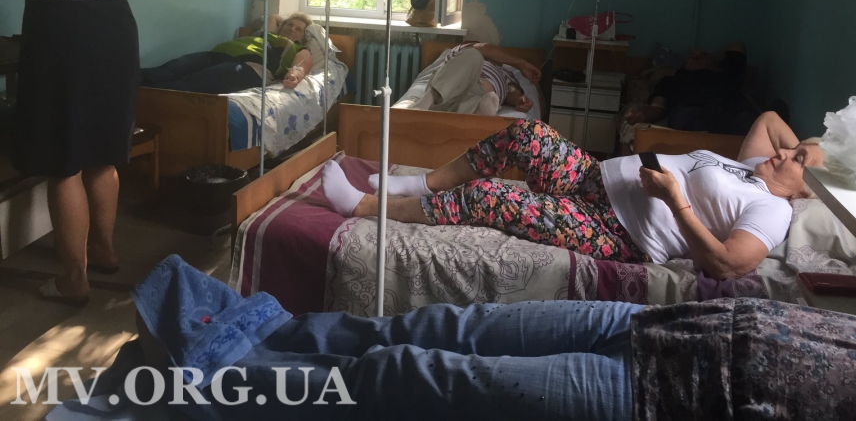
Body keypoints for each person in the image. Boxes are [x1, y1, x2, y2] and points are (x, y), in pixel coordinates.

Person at [62, 255, 856, 420]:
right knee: (431, 324)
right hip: (661, 326)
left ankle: (198, 387)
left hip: (669, 397)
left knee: (407, 371)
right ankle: (242, 335)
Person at [321, 111, 823, 279]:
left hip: (617, 231)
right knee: (528, 134)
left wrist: (676, 199)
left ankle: (365, 206)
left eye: (796, 158)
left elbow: (728, 265)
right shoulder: (756, 167)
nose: (785, 151)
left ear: (806, 188)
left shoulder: (772, 209)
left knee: (492, 197)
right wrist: (819, 150)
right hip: (595, 178)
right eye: (792, 149)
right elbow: (769, 120)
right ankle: (424, 182)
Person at [0, 0, 148, 305]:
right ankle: (103, 250)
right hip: (117, 32)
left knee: (63, 162)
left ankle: (74, 279)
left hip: (61, 34)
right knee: (103, 154)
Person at [140, 13, 314, 94]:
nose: (292, 29)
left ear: (304, 37)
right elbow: (272, 16)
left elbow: (300, 65)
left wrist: (294, 75)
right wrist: (286, 21)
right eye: (290, 24)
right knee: (167, 70)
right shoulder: (266, 34)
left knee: (187, 84)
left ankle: (138, 98)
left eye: (299, 29)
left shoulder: (298, 48)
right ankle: (127, 81)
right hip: (217, 54)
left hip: (249, 67)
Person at [625, 42, 757, 135]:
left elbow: (737, 46)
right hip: (690, 110)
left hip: (726, 107)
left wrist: (714, 62)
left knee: (750, 119)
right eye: (691, 55)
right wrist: (641, 116)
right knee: (685, 116)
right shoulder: (673, 79)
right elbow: (657, 107)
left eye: (703, 55)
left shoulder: (726, 75)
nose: (696, 57)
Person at [412, 41, 542, 116]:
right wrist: (521, 64)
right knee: (474, 55)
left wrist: (519, 100)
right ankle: (421, 106)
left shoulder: (507, 73)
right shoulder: (463, 52)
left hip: (471, 102)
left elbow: (512, 92)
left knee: (491, 99)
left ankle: (478, 112)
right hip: (446, 93)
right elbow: (484, 48)